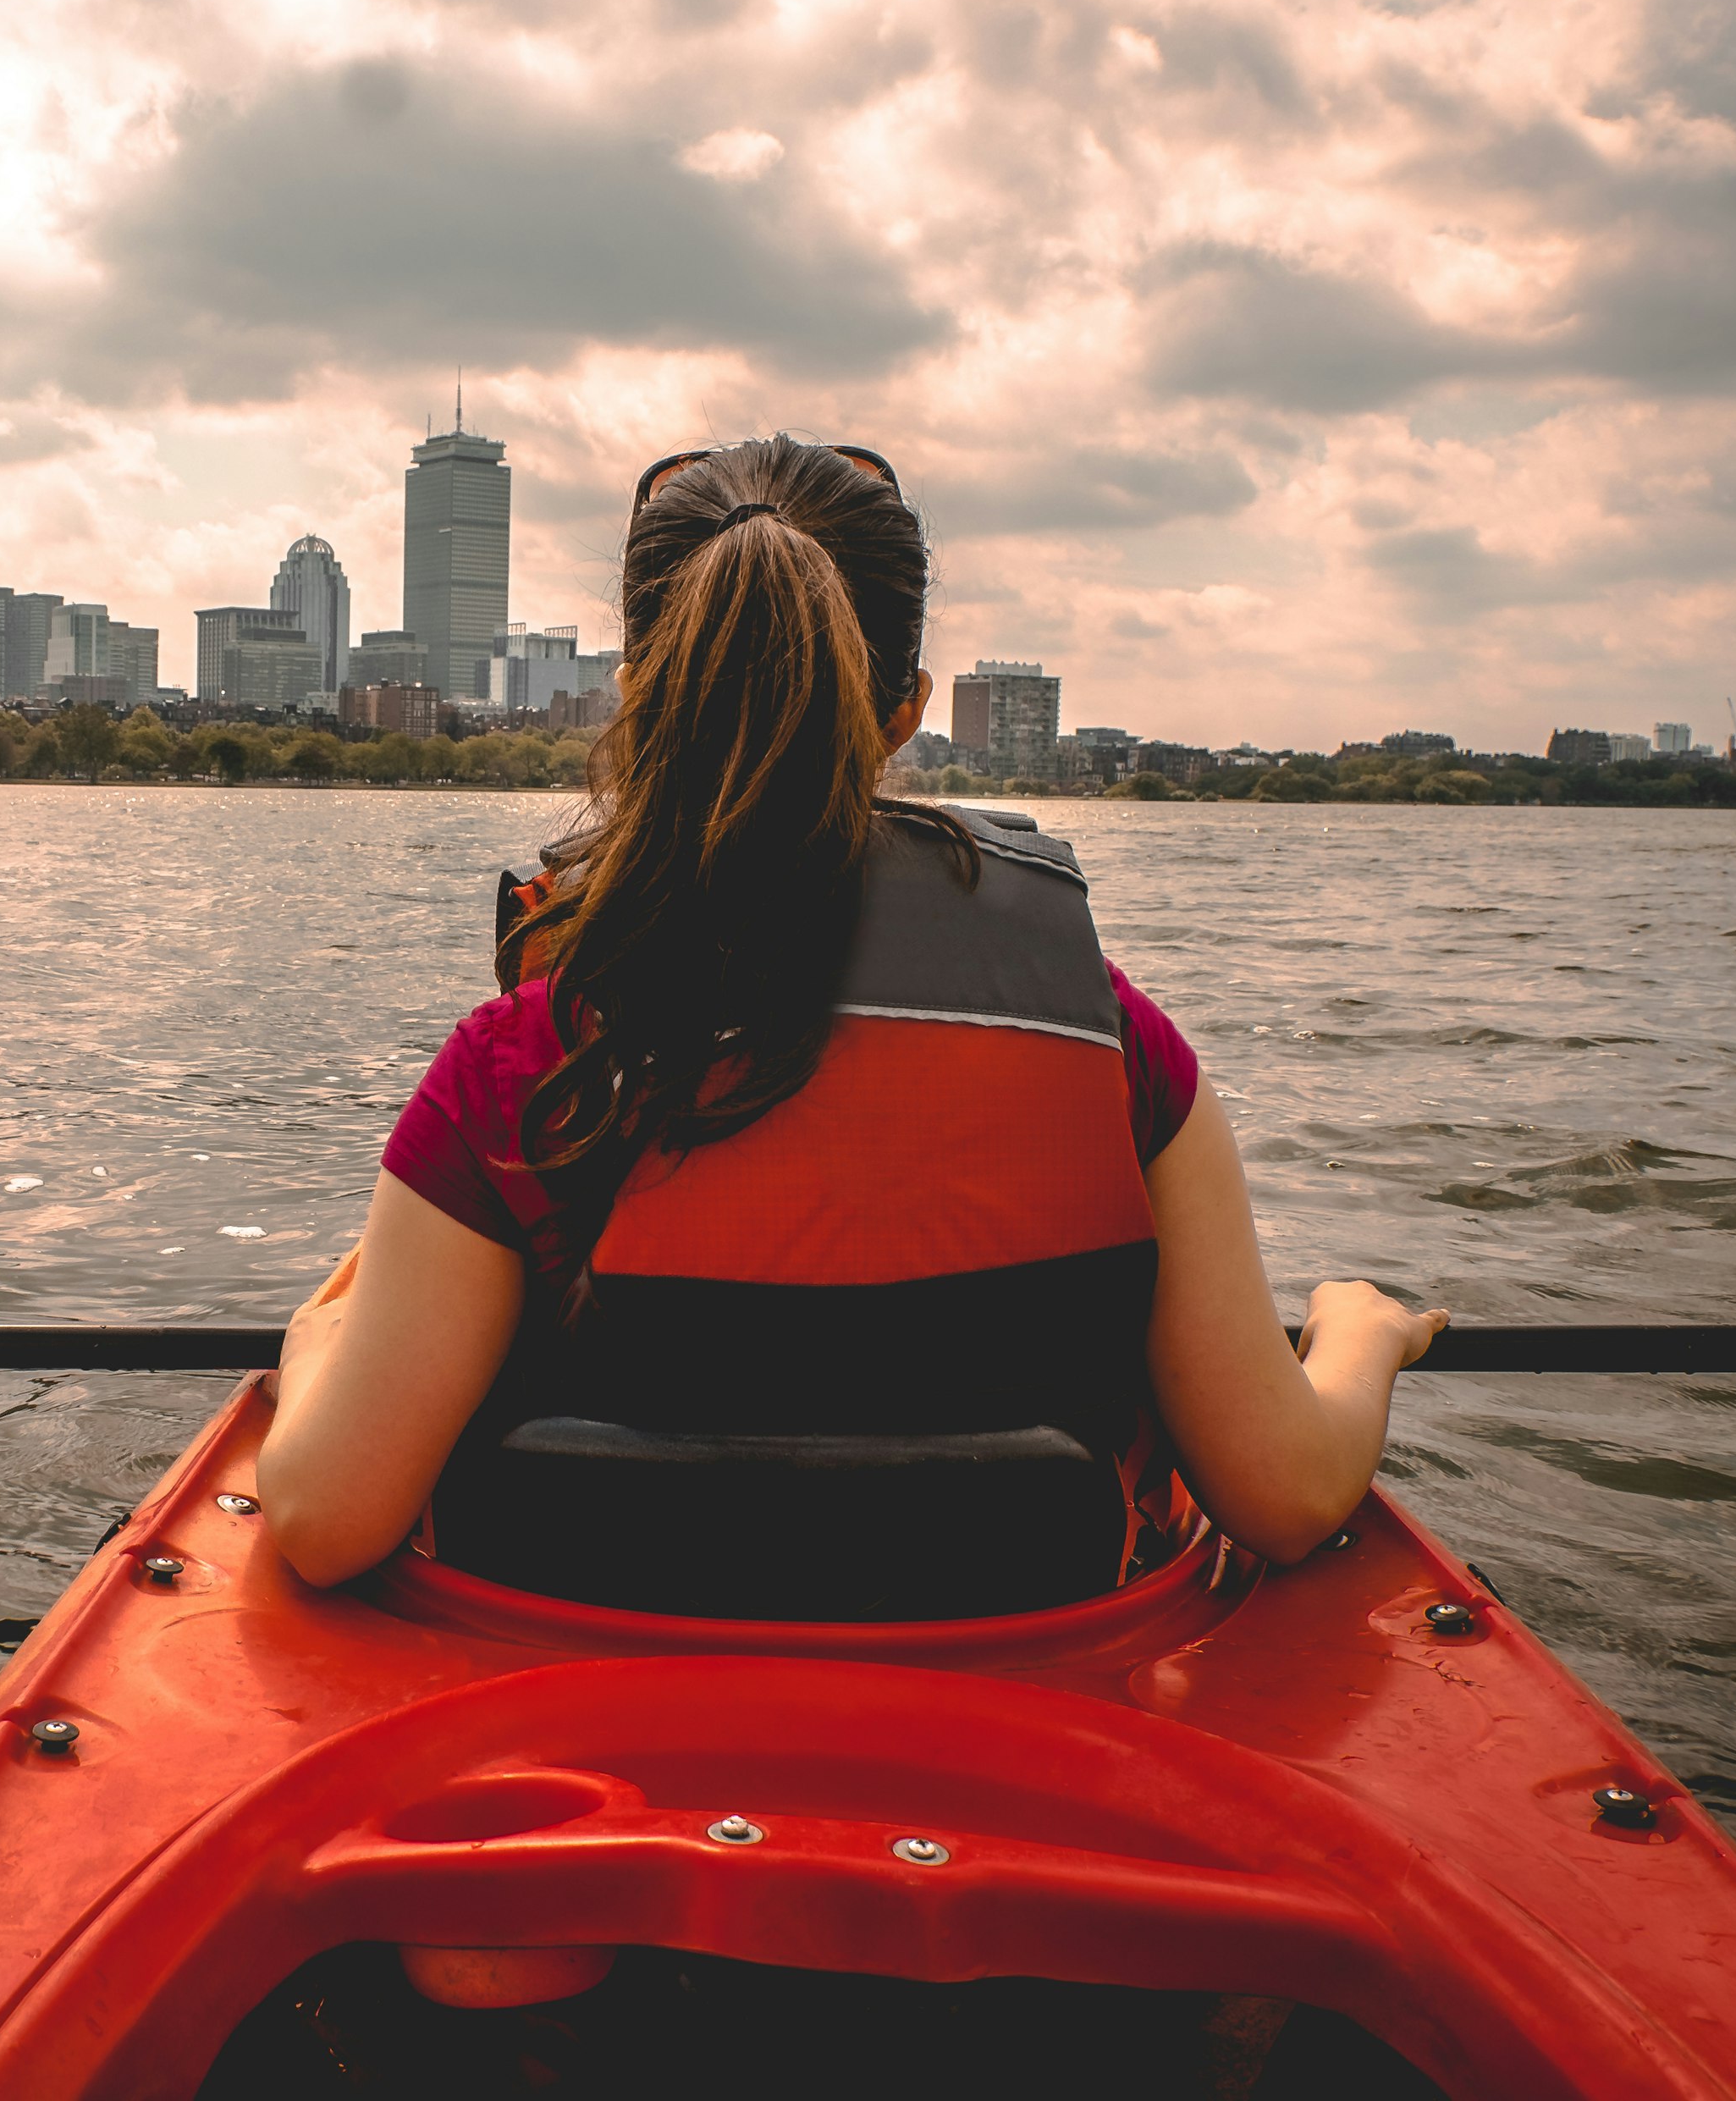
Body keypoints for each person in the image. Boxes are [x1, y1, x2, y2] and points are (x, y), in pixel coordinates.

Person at [259, 437, 1441, 1602]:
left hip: (598, 1736)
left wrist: (318, 1352)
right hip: (1017, 1715)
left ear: (638, 694)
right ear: (908, 709)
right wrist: (1357, 1335)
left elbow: (322, 1522)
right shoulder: (1112, 1044)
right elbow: (1283, 1495)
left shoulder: (518, 1061)